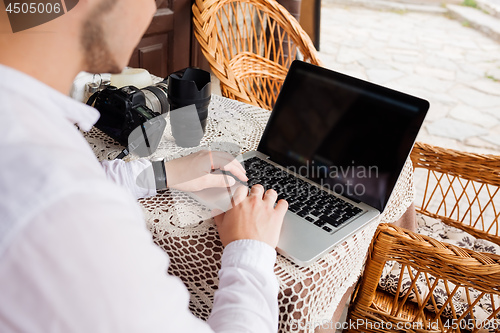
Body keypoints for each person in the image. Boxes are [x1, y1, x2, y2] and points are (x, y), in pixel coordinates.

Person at [0, 0, 288, 332]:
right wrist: (249, 251)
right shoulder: (64, 207)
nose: (151, 9)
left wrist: (167, 172)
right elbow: (59, 196)